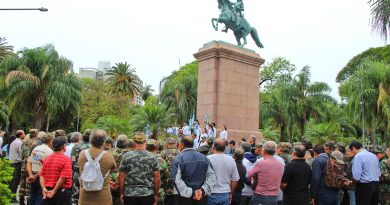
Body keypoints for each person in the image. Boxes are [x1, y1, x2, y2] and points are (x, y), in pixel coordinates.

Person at [172, 135, 216, 205]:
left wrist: (192, 193)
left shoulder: (178, 159)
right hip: (201, 198)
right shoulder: (204, 158)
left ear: (182, 144)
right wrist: (202, 191)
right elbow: (212, 176)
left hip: (184, 199)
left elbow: (176, 180)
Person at [119, 133, 160, 205]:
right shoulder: (153, 157)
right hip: (147, 193)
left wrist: (122, 193)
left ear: (134, 143)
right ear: (145, 142)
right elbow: (157, 178)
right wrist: (156, 195)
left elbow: (121, 176)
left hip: (130, 194)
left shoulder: (126, 156)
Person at [78, 129, 116, 205]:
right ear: (104, 141)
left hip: (85, 197)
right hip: (103, 198)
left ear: (90, 140)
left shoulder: (82, 154)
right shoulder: (108, 156)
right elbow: (113, 169)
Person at [247, 141, 283, 205]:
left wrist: (255, 178)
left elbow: (249, 175)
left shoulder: (260, 163)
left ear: (263, 150)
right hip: (274, 197)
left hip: (261, 196)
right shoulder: (280, 164)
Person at [39, 136, 72, 205]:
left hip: (48, 190)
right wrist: (54, 191)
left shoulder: (48, 158)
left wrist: (44, 189)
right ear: (64, 146)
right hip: (60, 192)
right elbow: (63, 177)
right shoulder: (66, 159)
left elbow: (41, 174)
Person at [207, 138, 239, 205]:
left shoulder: (208, 159)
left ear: (213, 146)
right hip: (225, 193)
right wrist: (230, 193)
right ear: (225, 148)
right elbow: (235, 179)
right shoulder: (231, 160)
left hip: (210, 193)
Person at [27, 133, 54, 205]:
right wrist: (35, 176)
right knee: (40, 198)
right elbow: (46, 167)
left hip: (33, 174)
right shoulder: (49, 151)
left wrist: (31, 175)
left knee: (32, 197)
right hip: (42, 177)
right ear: (50, 141)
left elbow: (29, 163)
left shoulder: (35, 149)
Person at [19, 129, 40, 205]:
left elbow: (21, 153)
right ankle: (28, 201)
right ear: (36, 134)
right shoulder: (35, 144)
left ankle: (21, 200)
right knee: (29, 184)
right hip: (30, 166)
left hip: (23, 164)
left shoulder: (24, 142)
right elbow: (35, 157)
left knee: (22, 182)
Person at [70, 129, 90, 205]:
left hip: (77, 173)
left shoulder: (76, 146)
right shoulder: (92, 147)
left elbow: (72, 159)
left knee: (75, 195)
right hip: (89, 175)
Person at [147, 139, 169, 205]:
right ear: (156, 148)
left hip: (144, 192)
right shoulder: (161, 161)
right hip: (159, 192)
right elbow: (166, 177)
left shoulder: (141, 159)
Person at [109, 135, 129, 205]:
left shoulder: (110, 152)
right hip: (123, 184)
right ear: (126, 143)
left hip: (110, 183)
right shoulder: (129, 154)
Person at [160, 137, 180, 205]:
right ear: (175, 144)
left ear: (167, 144)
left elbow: (161, 166)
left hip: (166, 180)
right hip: (177, 179)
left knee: (166, 199)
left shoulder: (163, 152)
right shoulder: (179, 153)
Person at [9, 130, 25, 195]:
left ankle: (10, 194)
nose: (24, 135)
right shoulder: (19, 143)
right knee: (16, 180)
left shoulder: (13, 142)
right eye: (24, 133)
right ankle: (12, 195)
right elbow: (21, 153)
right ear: (21, 135)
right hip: (17, 163)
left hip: (12, 162)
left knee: (12, 180)